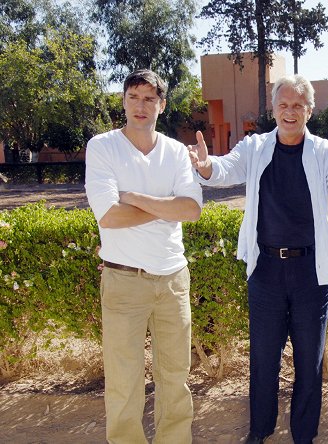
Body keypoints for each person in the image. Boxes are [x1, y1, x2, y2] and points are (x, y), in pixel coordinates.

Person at [187, 74, 328, 444]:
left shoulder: (324, 151)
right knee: (264, 359)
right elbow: (225, 170)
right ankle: (260, 430)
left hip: (311, 273)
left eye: (298, 105)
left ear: (309, 110)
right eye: (283, 104)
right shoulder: (255, 146)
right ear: (273, 109)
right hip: (266, 269)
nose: (290, 111)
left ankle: (304, 435)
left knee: (309, 361)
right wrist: (206, 166)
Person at [85, 69, 203, 443]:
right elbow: (109, 216)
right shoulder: (102, 147)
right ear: (123, 101)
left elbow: (192, 210)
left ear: (161, 105)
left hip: (172, 280)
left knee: (175, 379)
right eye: (134, 97)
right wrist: (167, 207)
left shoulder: (174, 151)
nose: (141, 105)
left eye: (150, 98)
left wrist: (134, 197)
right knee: (123, 381)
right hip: (124, 281)